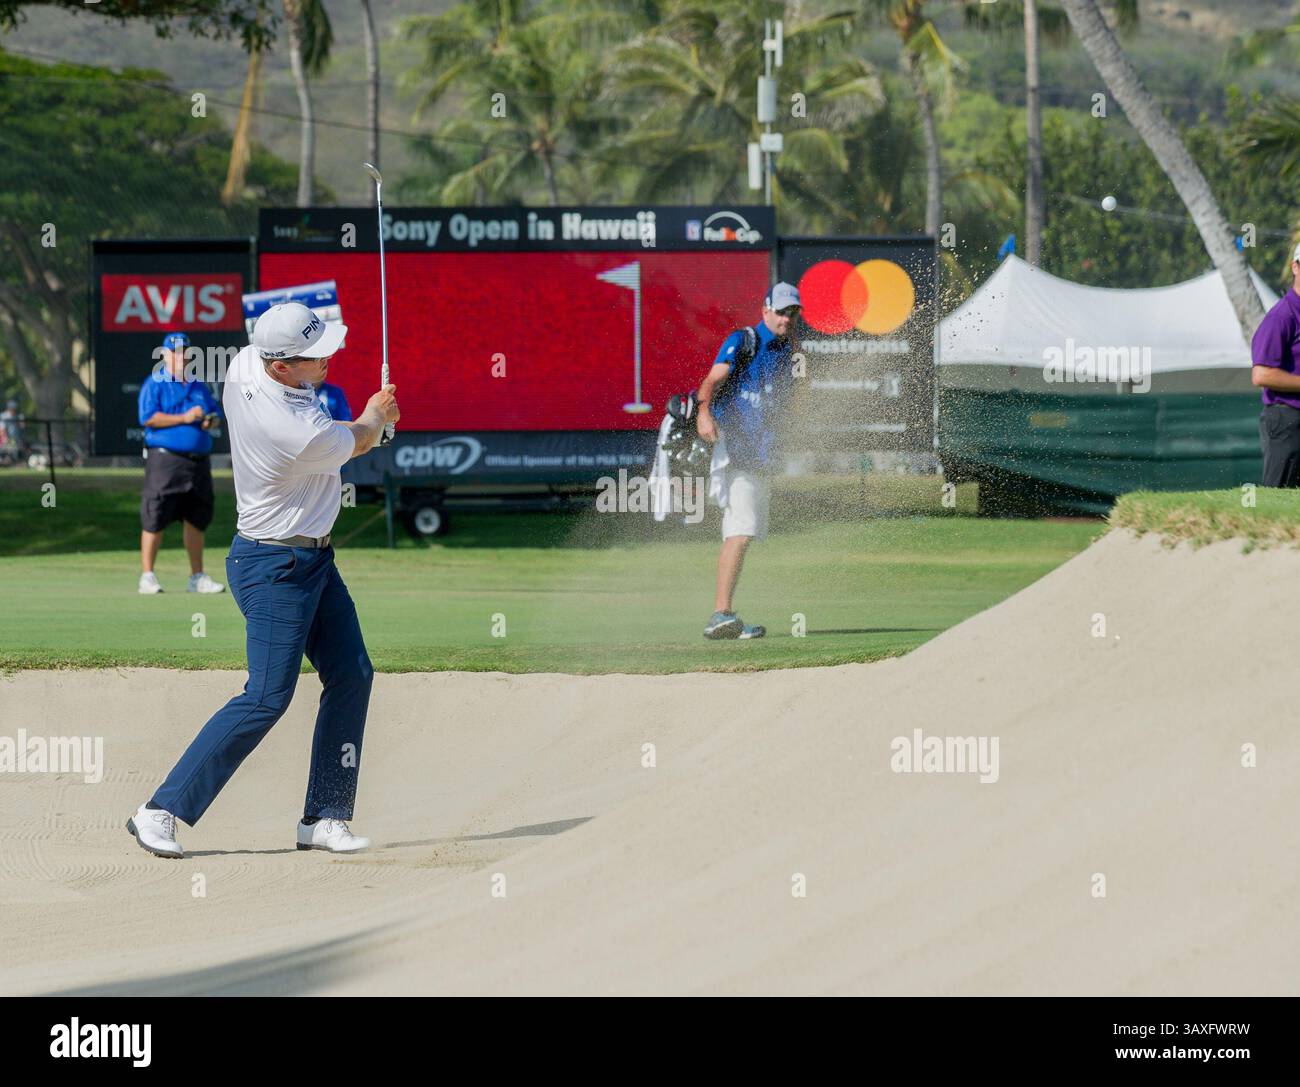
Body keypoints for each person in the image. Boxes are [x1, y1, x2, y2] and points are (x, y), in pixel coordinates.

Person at [126, 302, 399, 859]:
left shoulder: (247, 362)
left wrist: (370, 425)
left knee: (352, 674)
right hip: (274, 567)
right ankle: (160, 809)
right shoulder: (293, 430)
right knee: (267, 696)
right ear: (280, 366)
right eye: (315, 355)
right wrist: (377, 415)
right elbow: (360, 438)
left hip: (313, 560)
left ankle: (324, 816)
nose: (328, 359)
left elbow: (350, 429)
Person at [695, 282, 802, 639]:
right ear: (765, 311)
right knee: (739, 534)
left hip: (761, 456)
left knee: (744, 533)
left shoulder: (788, 353)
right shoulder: (744, 340)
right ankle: (719, 614)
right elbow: (711, 380)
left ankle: (727, 618)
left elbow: (790, 400)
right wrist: (704, 413)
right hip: (736, 452)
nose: (787, 318)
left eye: (793, 312)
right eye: (782, 311)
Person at [137, 332, 225, 594]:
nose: (181, 356)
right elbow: (148, 417)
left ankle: (197, 576)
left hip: (197, 462)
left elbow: (215, 415)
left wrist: (209, 421)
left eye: (185, 351)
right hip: (166, 460)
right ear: (165, 355)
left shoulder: (198, 386)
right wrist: (185, 418)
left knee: (196, 517)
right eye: (175, 352)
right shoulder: (155, 383)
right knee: (156, 514)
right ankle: (148, 576)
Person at [1252, 244, 1300, 487]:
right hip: (1287, 420)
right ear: (1295, 267)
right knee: (1279, 494)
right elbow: (1261, 374)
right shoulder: (1282, 315)